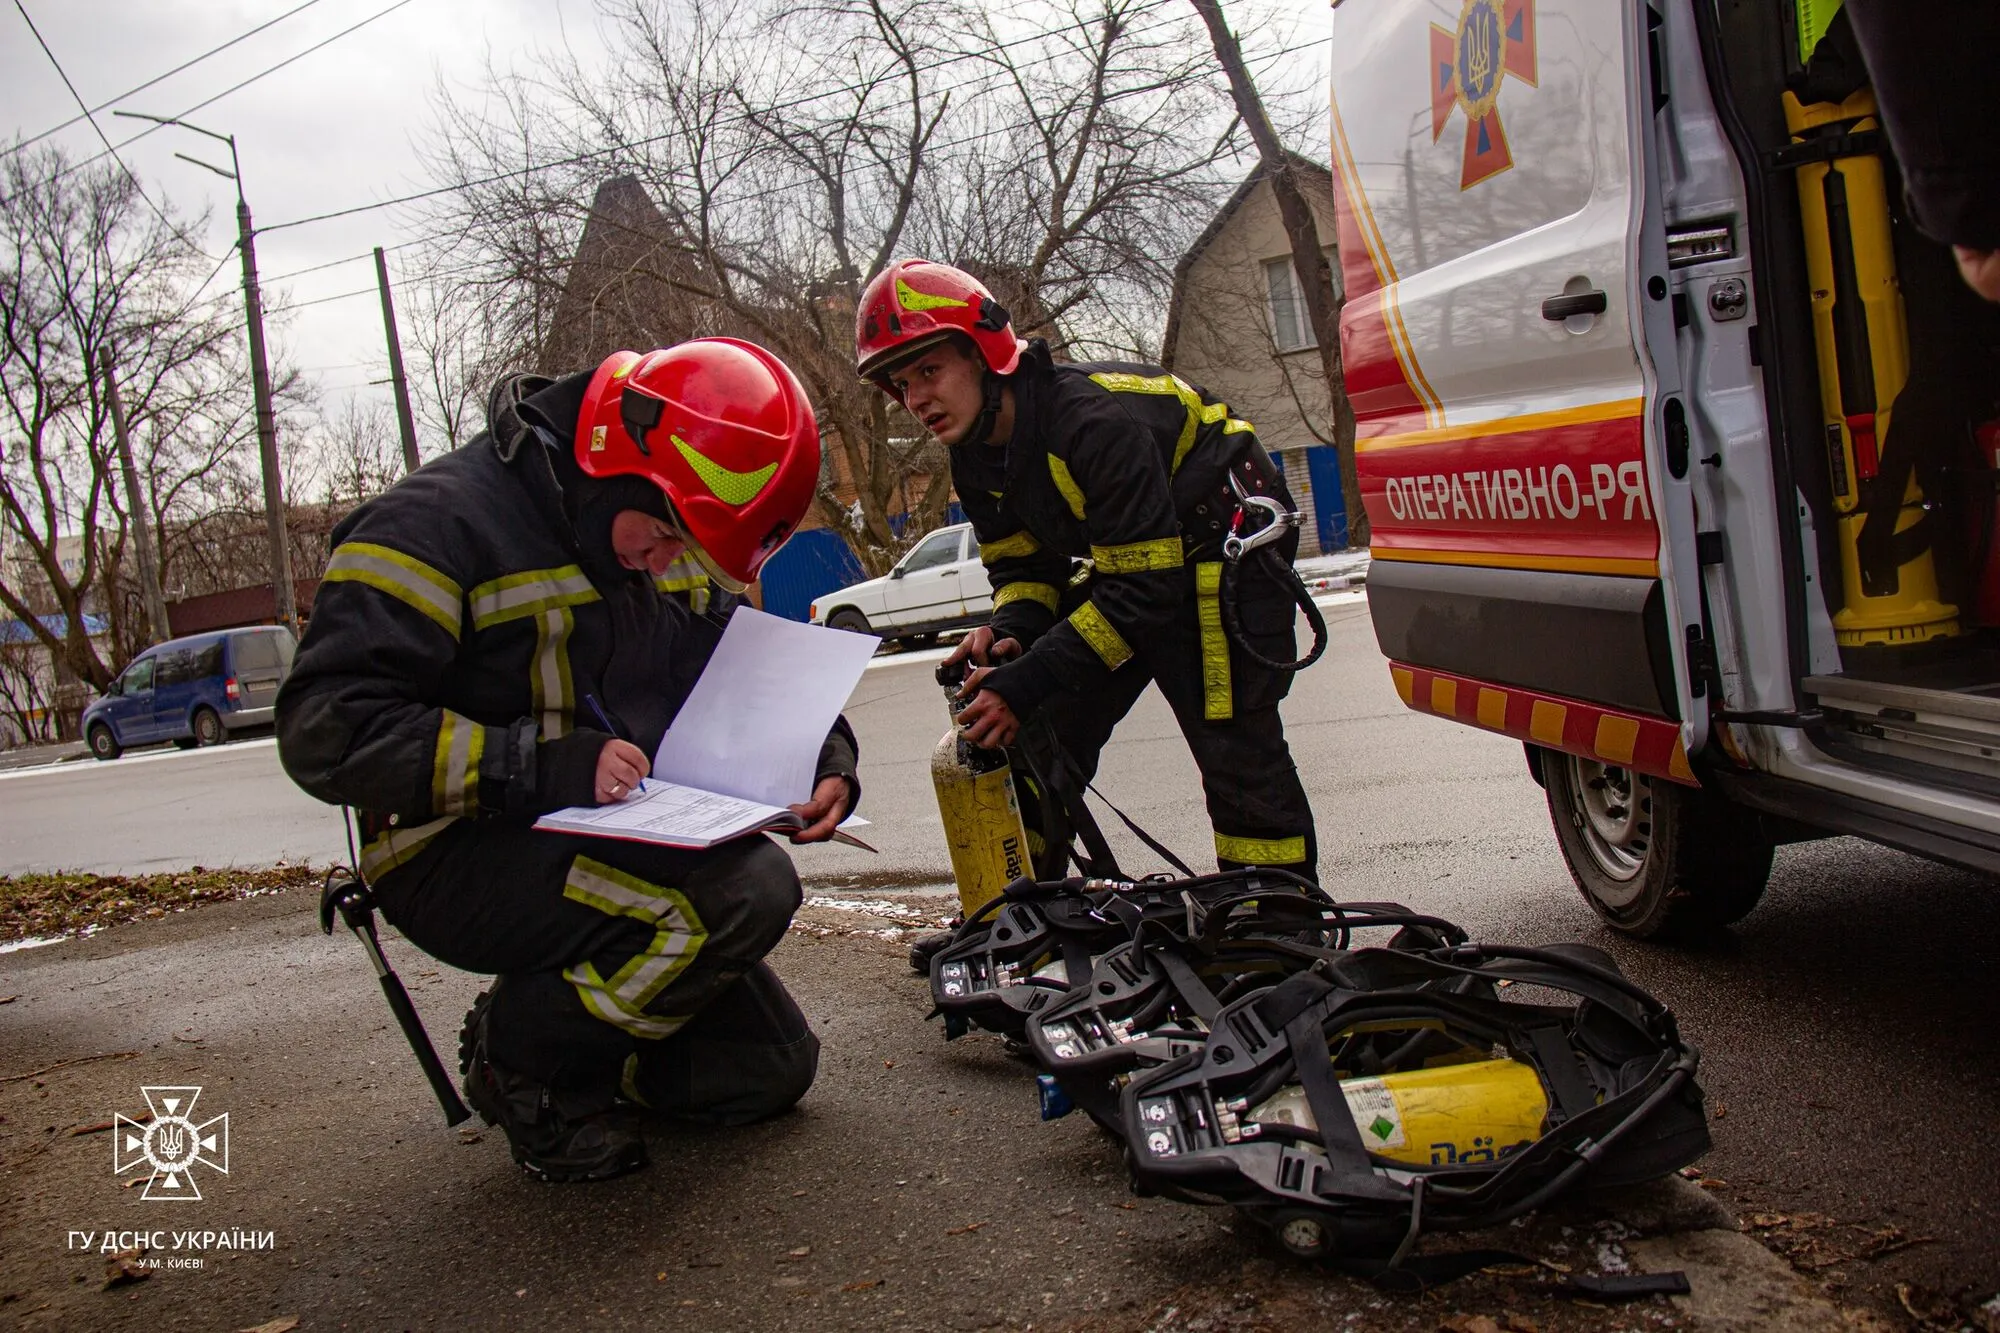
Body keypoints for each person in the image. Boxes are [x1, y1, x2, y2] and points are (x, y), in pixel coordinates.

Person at [276, 339, 855, 1183]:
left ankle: (577, 1042)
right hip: (452, 849)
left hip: (598, 826)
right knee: (743, 894)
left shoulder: (644, 526)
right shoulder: (435, 524)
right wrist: (538, 764)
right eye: (662, 535)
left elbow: (729, 661)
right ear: (619, 471)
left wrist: (823, 753)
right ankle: (524, 1064)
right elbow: (327, 729)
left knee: (766, 1069)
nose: (664, 562)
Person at [854, 258, 1319, 881]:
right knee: (1040, 729)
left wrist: (1026, 679)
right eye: (900, 385)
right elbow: (1021, 562)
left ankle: (1274, 922)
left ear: (985, 353)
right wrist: (1015, 628)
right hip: (1139, 566)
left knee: (1231, 740)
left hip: (1222, 548)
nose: (915, 400)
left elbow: (1145, 593)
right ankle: (1025, 906)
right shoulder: (972, 452)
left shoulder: (1092, 421)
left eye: (929, 370)